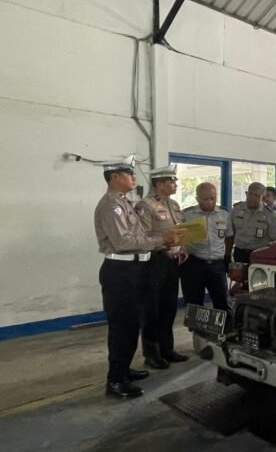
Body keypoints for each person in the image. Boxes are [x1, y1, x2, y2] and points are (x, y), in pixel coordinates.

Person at [94, 157, 181, 398]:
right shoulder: (112, 206)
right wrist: (161, 240)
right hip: (121, 272)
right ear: (114, 178)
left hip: (134, 270)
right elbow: (123, 242)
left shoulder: (123, 202)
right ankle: (115, 381)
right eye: (128, 174)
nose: (133, 178)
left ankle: (123, 370)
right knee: (122, 327)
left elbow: (138, 235)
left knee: (132, 325)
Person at [134, 164, 189, 370]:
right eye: (171, 181)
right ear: (159, 183)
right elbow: (142, 236)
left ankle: (167, 349)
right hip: (153, 262)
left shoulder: (173, 205)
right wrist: (163, 244)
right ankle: (151, 353)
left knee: (168, 307)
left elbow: (179, 231)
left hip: (172, 261)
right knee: (152, 309)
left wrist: (182, 247)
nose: (175, 184)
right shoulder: (145, 206)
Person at [180, 183, 233, 310]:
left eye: (213, 198)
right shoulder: (187, 215)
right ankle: (196, 330)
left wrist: (227, 257)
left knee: (222, 302)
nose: (210, 202)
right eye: (206, 199)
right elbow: (180, 239)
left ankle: (224, 329)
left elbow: (229, 237)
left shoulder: (224, 214)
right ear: (197, 199)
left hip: (217, 265)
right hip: (193, 264)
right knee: (194, 303)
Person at [229, 182, 276, 263]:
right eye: (250, 194)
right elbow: (230, 234)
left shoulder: (270, 214)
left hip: (260, 254)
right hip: (239, 254)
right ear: (246, 194)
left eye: (257, 195)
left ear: (263, 198)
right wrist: (227, 254)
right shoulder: (237, 210)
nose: (252, 198)